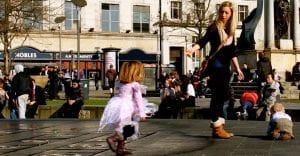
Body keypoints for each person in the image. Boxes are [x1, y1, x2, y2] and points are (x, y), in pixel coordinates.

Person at [186, 1, 244, 139]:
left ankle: (218, 126)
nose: (223, 15)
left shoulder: (231, 32)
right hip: (215, 68)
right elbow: (203, 41)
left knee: (223, 96)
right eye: (221, 12)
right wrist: (192, 49)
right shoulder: (214, 28)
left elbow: (232, 53)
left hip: (225, 69)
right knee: (218, 97)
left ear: (231, 14)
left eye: (226, 12)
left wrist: (238, 69)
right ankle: (217, 127)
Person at [99, 61, 147, 155]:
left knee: (121, 126)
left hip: (118, 104)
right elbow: (138, 100)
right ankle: (115, 138)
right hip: (128, 107)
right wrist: (142, 112)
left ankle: (120, 148)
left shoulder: (121, 83)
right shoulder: (135, 85)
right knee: (130, 128)